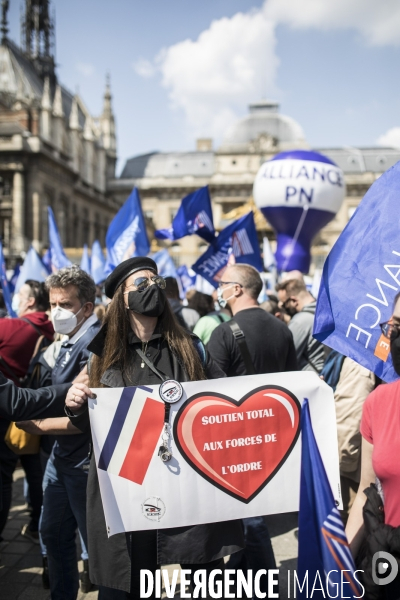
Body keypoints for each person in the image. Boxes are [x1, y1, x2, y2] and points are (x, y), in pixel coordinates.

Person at [64, 256, 244, 599]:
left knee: (203, 578)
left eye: (158, 282)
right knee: (130, 578)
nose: (154, 289)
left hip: (186, 480)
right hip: (131, 483)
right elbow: (97, 424)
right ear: (123, 297)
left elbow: (223, 405)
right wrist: (75, 405)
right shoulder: (103, 356)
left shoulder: (190, 348)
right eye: (142, 284)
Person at [207, 263, 298, 599]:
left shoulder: (224, 332)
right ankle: (246, 581)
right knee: (251, 513)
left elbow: (210, 397)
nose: (218, 289)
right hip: (271, 440)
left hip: (235, 443)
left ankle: (264, 581)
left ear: (238, 289)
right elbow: (291, 386)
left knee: (249, 518)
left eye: (222, 284)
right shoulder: (282, 329)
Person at [24, 266, 101, 598]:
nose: (56, 312)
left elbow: (86, 418)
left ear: (86, 307)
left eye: (65, 305)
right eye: (53, 304)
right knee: (53, 535)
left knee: (99, 551)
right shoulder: (71, 340)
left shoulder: (96, 345)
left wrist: (33, 424)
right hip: (60, 458)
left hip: (85, 463)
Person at [346, 292, 400, 599]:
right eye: (396, 326)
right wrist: (339, 564)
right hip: (388, 566)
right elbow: (368, 491)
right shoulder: (379, 402)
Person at [0, 280, 54, 545]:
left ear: (30, 301)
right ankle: (36, 526)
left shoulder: (10, 327)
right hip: (38, 409)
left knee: (3, 475)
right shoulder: (55, 330)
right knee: (35, 472)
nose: (16, 299)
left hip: (7, 410)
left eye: (20, 294)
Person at [276, 278, 325, 373]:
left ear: (294, 300)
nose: (283, 308)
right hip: (329, 376)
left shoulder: (300, 321)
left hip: (312, 381)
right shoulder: (325, 313)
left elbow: (285, 358)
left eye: (284, 304)